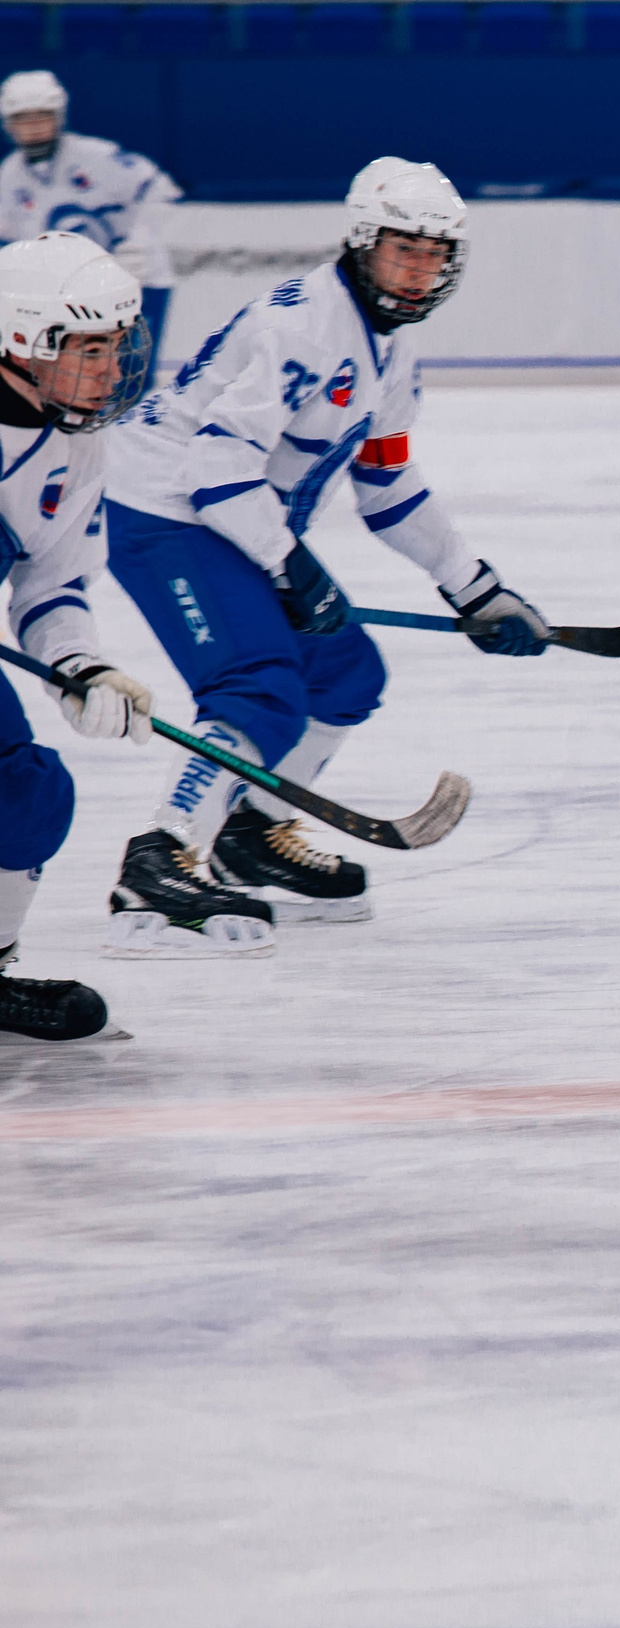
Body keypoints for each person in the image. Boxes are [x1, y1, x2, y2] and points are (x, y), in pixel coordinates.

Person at [100, 156, 552, 958]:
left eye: (434, 255)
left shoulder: (393, 348)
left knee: (346, 676)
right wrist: (292, 568)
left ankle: (253, 831)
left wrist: (475, 589)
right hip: (168, 509)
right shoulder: (302, 326)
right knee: (260, 683)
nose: (417, 272)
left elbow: (386, 482)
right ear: (361, 241)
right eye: (402, 250)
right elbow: (214, 469)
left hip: (238, 516)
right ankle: (159, 859)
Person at [0, 234, 158, 1031]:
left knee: (27, 792)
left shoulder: (74, 447)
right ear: (24, 343)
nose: (108, 369)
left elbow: (49, 581)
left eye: (114, 348)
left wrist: (79, 667)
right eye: (89, 350)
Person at [0, 71, 180, 370]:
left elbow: (160, 189)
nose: (32, 128)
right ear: (8, 124)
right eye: (22, 119)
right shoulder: (9, 178)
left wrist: (140, 241)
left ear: (59, 117)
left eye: (41, 117)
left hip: (137, 282)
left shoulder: (98, 157)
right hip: (72, 297)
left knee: (128, 381)